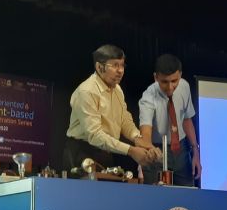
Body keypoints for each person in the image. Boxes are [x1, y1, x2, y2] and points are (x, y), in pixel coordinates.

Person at [63, 44, 159, 172]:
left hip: (106, 151)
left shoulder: (117, 89)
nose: (120, 70)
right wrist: (131, 150)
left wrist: (138, 138)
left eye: (122, 65)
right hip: (82, 151)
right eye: (114, 65)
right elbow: (95, 135)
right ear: (99, 67)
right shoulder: (86, 91)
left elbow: (124, 119)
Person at [138, 53, 202, 186]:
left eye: (174, 81)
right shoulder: (148, 97)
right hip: (156, 150)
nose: (170, 87)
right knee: (157, 200)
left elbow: (187, 119)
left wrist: (196, 152)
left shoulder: (184, 86)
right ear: (156, 77)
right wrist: (145, 157)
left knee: (186, 199)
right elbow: (145, 133)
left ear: (180, 75)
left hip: (182, 149)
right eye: (164, 82)